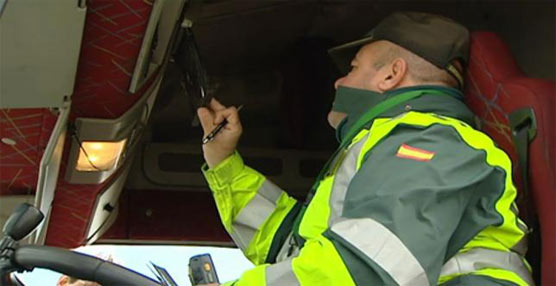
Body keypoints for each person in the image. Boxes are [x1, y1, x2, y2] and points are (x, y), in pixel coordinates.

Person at [197, 11, 533, 286]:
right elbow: (292, 246)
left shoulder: (429, 142)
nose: (338, 82)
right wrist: (223, 164)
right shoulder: (389, 144)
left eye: (353, 68)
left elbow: (367, 270)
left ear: (391, 76)